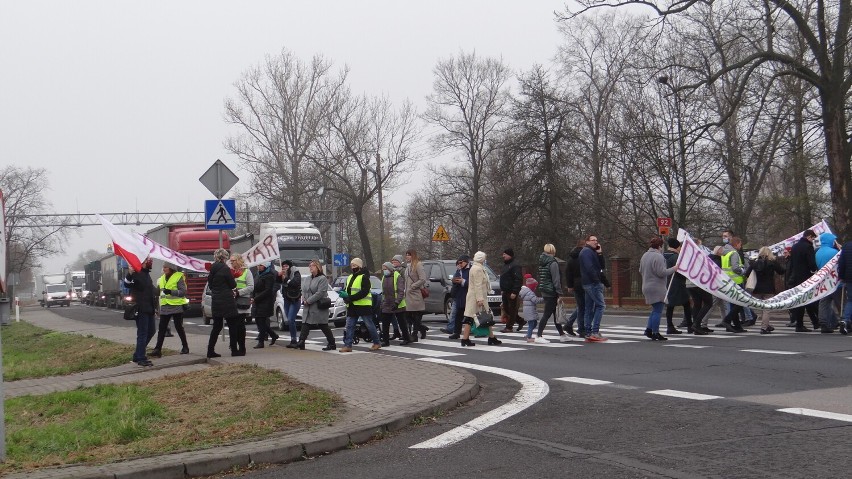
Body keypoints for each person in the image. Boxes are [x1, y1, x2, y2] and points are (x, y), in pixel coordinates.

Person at [460, 251, 502, 346]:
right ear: (482, 259)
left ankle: (490, 338)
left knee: (484, 317)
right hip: (477, 297)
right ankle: (466, 339)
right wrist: (480, 299)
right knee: (475, 317)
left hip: (476, 296)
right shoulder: (478, 269)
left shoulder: (476, 267)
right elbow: (477, 285)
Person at [340, 257, 381, 352]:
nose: (352, 267)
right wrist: (345, 296)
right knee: (350, 325)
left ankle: (376, 342)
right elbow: (348, 290)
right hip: (352, 305)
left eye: (354, 265)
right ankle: (348, 345)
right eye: (351, 265)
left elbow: (364, 292)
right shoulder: (350, 277)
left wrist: (350, 298)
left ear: (359, 266)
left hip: (363, 305)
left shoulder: (364, 277)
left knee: (369, 325)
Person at [640, 237, 677, 340]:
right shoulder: (658, 256)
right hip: (657, 287)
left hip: (646, 285)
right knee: (658, 311)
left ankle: (649, 330)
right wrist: (674, 269)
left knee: (655, 309)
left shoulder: (645, 255)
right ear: (660, 246)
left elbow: (640, 270)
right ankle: (655, 332)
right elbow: (661, 272)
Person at [744, 246, 786, 334]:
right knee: (767, 309)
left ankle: (766, 324)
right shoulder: (772, 263)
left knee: (762, 308)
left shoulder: (754, 263)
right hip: (769, 288)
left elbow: (747, 274)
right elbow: (781, 271)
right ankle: (764, 328)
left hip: (757, 288)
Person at [150, 262, 189, 357]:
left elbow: (183, 292)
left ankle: (185, 347)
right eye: (163, 267)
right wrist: (149, 285)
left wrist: (171, 292)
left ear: (171, 268)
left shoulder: (178, 276)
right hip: (165, 306)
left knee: (179, 327)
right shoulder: (162, 278)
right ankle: (157, 349)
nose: (163, 269)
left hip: (176, 306)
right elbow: (158, 292)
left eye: (165, 267)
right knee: (162, 328)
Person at [296, 260, 337, 350]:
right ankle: (301, 341)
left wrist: (309, 300)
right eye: (310, 266)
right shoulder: (308, 278)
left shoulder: (322, 279)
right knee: (305, 323)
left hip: (318, 306)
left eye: (313, 266)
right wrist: (303, 297)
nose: (310, 267)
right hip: (308, 306)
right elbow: (303, 289)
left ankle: (332, 343)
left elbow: (320, 293)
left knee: (323, 325)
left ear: (318, 267)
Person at [124, 257, 157, 366]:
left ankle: (138, 354)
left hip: (150, 309)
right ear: (141, 263)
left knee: (151, 331)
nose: (150, 262)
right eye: (147, 260)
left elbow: (151, 291)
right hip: (141, 309)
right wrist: (129, 274)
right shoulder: (137, 273)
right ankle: (141, 357)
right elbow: (127, 284)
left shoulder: (147, 274)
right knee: (142, 333)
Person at [207, 248, 239, 358]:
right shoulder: (225, 269)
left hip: (216, 300)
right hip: (227, 301)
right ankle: (234, 350)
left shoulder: (212, 269)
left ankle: (210, 350)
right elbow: (233, 285)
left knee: (216, 327)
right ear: (224, 258)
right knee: (232, 325)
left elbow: (210, 285)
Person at [535, 244, 570, 343]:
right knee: (547, 314)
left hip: (545, 290)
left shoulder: (542, 262)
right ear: (553, 251)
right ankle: (539, 335)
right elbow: (556, 279)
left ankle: (562, 334)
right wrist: (559, 292)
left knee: (556, 313)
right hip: (551, 291)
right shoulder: (553, 263)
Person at [787, 229, 820, 332]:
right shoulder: (808, 247)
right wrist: (815, 271)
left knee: (803, 300)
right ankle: (803, 324)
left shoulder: (795, 247)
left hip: (796, 277)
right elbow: (811, 263)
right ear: (809, 236)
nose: (813, 241)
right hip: (806, 277)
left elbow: (791, 263)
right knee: (806, 300)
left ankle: (814, 322)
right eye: (813, 238)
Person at [580, 235, 608, 342]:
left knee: (589, 307)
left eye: (597, 240)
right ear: (587, 241)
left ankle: (588, 332)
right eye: (593, 240)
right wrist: (597, 280)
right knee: (600, 306)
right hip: (592, 283)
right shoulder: (586, 252)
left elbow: (602, 266)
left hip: (589, 283)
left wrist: (600, 253)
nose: (596, 242)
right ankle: (594, 332)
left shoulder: (592, 252)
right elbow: (589, 268)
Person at [815, 232, 844, 334]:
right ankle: (845, 322)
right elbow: (841, 263)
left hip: (823, 282)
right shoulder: (834, 252)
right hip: (836, 282)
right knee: (840, 303)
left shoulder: (818, 252)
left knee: (824, 303)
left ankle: (824, 323)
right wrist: (840, 250)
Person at [664, 238, 691, 335]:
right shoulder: (676, 257)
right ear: (677, 247)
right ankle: (689, 325)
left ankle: (669, 325)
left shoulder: (664, 255)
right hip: (678, 284)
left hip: (666, 283)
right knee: (687, 304)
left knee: (670, 306)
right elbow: (681, 272)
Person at [720, 236, 748, 333]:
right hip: (736, 281)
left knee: (733, 304)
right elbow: (735, 268)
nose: (741, 246)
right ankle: (727, 320)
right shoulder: (734, 253)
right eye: (740, 244)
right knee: (741, 303)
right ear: (736, 244)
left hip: (728, 281)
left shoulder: (724, 253)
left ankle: (736, 326)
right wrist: (743, 271)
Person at [380, 261, 409, 346]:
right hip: (387, 303)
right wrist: (382, 303)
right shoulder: (384, 277)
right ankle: (385, 340)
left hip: (398, 304)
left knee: (402, 323)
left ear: (389, 268)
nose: (384, 271)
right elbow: (383, 292)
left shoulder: (397, 276)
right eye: (383, 269)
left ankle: (406, 338)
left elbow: (400, 291)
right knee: (385, 323)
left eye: (385, 269)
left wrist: (397, 302)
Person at [252, 261, 280, 348]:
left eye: (261, 265)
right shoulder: (257, 274)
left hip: (265, 301)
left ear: (265, 266)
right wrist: (253, 297)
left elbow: (267, 290)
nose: (259, 267)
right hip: (257, 300)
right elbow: (254, 287)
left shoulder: (269, 275)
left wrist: (256, 298)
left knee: (262, 321)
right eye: (258, 265)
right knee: (258, 320)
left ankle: (261, 342)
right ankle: (273, 335)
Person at [228, 253, 251, 355]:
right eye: (231, 261)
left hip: (241, 302)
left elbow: (251, 287)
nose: (231, 262)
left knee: (240, 326)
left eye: (233, 261)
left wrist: (239, 292)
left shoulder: (246, 271)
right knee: (233, 326)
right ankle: (234, 345)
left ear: (238, 261)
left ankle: (242, 347)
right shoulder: (230, 272)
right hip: (231, 302)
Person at [499, 248, 525, 334]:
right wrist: (502, 289)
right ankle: (520, 321)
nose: (503, 256)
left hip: (512, 291)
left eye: (505, 254)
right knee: (506, 309)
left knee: (512, 309)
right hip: (505, 291)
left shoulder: (515, 265)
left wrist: (515, 291)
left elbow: (518, 279)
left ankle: (509, 327)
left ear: (510, 255)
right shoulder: (506, 265)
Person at [404, 249, 428, 341]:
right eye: (406, 255)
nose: (407, 256)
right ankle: (421, 328)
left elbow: (422, 279)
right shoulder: (407, 267)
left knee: (416, 314)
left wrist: (413, 286)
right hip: (408, 295)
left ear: (413, 255)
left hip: (415, 294)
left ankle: (414, 334)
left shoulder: (417, 265)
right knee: (407, 316)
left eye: (409, 255)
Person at [564, 240, 587, 338]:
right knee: (584, 307)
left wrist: (570, 285)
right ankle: (581, 329)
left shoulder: (571, 258)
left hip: (576, 284)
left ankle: (569, 324)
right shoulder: (584, 257)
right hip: (585, 283)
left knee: (580, 306)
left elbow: (568, 273)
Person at [279, 259, 302, 347]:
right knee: (289, 320)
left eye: (286, 266)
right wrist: (280, 277)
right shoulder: (282, 274)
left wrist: (287, 279)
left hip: (295, 299)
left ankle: (294, 340)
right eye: (283, 266)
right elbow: (277, 283)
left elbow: (296, 283)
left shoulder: (295, 272)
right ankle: (293, 339)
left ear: (290, 266)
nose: (285, 268)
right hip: (286, 299)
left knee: (290, 319)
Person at [449, 255, 471, 340]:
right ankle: (456, 332)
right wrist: (454, 280)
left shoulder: (471, 270)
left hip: (468, 294)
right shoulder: (459, 270)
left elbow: (473, 282)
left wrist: (463, 281)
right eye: (458, 263)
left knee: (471, 315)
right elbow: (455, 278)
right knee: (459, 314)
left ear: (466, 261)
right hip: (460, 294)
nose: (460, 264)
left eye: (461, 263)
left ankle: (477, 330)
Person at [520, 275, 543, 342]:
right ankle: (529, 337)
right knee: (531, 324)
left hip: (529, 310)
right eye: (535, 286)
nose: (535, 288)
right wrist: (544, 299)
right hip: (530, 311)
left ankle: (528, 334)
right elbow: (535, 300)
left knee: (534, 323)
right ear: (532, 286)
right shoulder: (530, 293)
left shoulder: (527, 292)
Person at [837, 239, 852, 334]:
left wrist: (841, 276)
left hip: (849, 277)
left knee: (850, 300)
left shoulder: (847, 246)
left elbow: (841, 263)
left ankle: (846, 320)